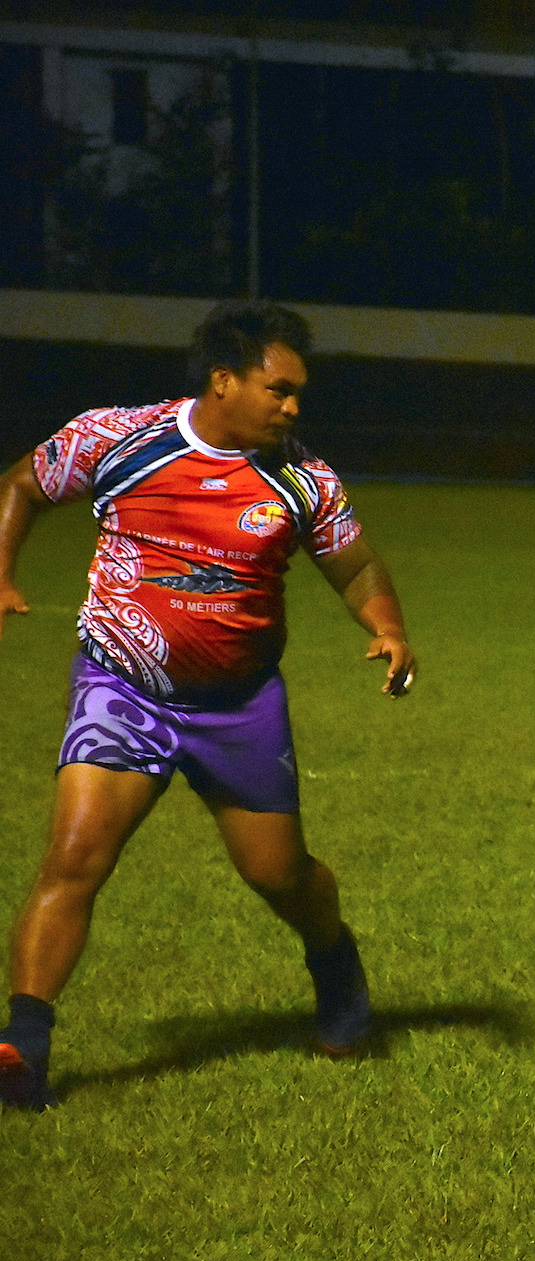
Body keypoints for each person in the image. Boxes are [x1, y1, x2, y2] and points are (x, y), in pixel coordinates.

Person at [0, 301, 416, 1111]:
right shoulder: (119, 438)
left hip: (239, 706)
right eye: (280, 388)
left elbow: (358, 568)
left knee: (280, 875)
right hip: (122, 687)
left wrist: (390, 628)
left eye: (299, 393)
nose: (294, 407)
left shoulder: (301, 477)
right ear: (223, 380)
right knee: (75, 856)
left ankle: (334, 962)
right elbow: (20, 483)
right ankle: (27, 1047)